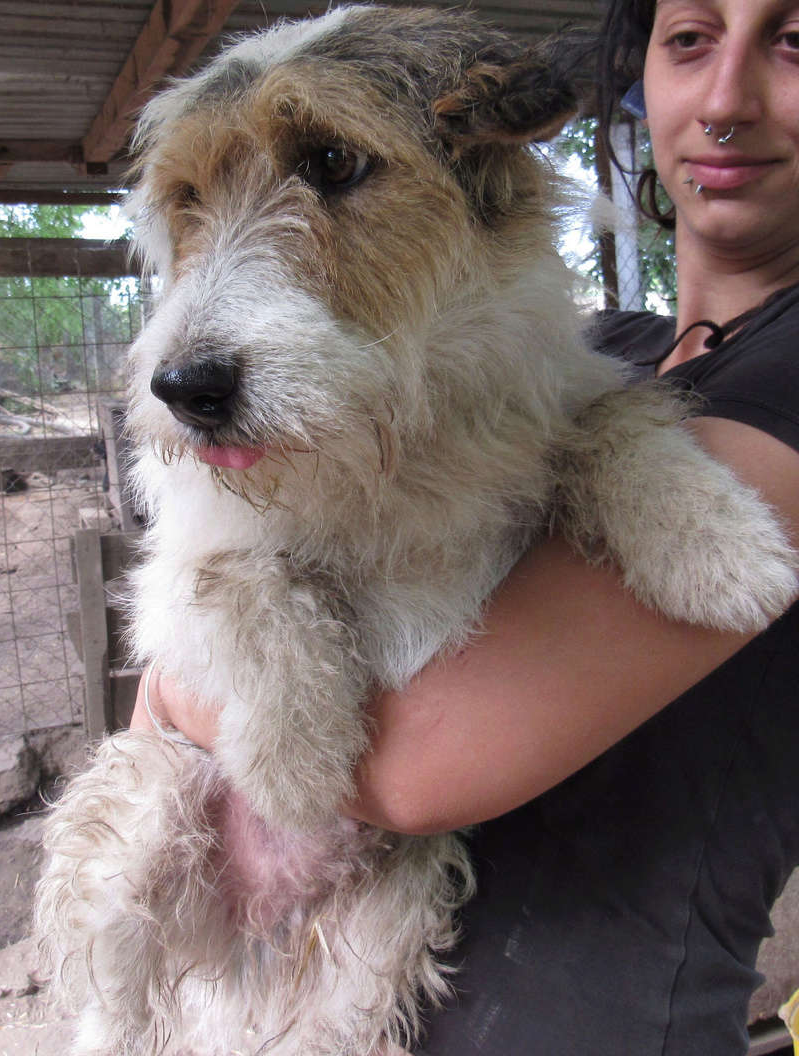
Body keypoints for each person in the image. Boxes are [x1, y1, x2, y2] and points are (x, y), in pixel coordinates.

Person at [131, 0, 799, 1051]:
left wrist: (177, 686)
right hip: (279, 985)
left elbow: (408, 772)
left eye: (793, 40)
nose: (723, 100)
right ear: (645, 80)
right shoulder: (590, 350)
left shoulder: (766, 385)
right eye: (688, 40)